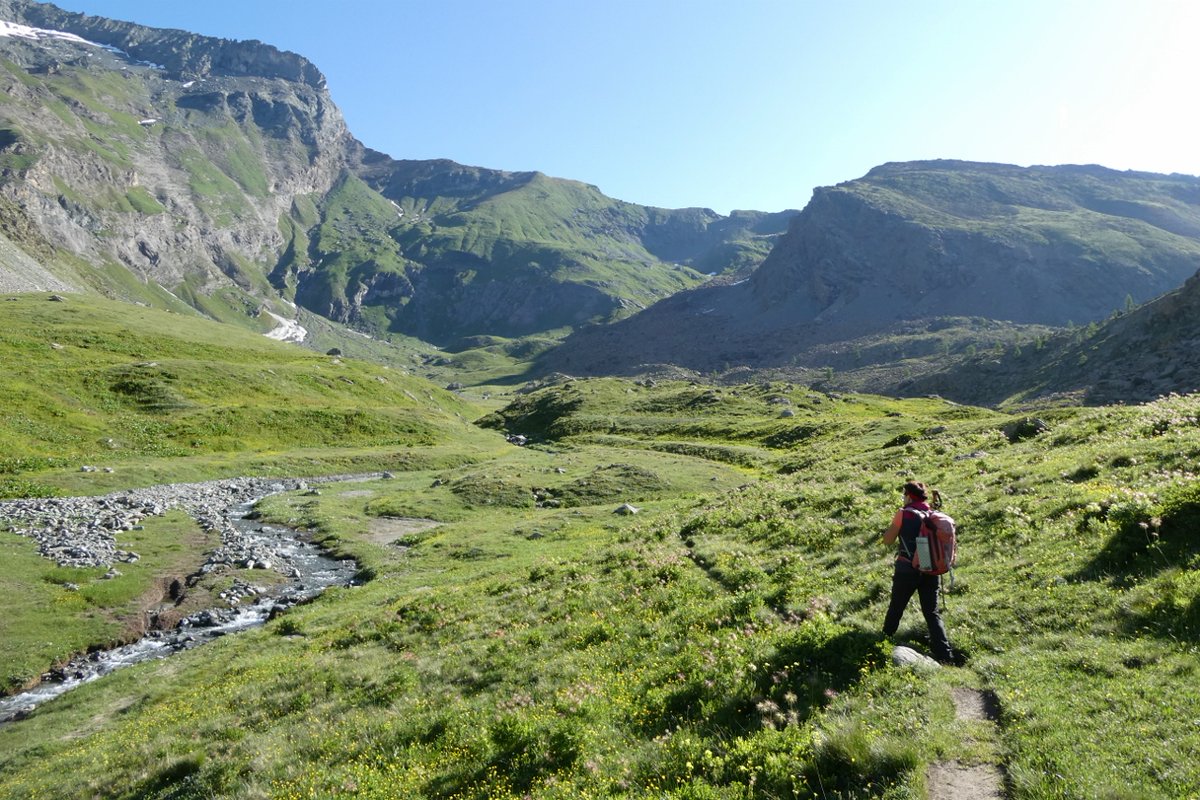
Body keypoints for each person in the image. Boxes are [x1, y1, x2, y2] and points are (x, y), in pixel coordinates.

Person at [882, 480, 955, 663]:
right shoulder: (932, 515)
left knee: (896, 607)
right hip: (929, 569)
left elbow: (888, 540)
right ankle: (946, 656)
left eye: (904, 495)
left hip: (907, 569)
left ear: (908, 496)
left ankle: (883, 641)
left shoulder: (904, 513)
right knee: (932, 613)